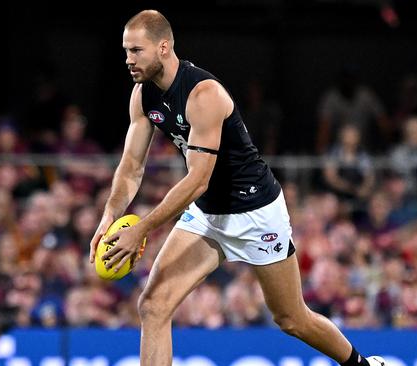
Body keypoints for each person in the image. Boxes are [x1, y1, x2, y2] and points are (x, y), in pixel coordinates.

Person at [88, 10, 385, 366]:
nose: (128, 60)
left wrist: (142, 229)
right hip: (208, 214)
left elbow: (199, 179)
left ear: (163, 47)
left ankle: (363, 365)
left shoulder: (203, 94)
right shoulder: (142, 96)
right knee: (153, 305)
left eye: (136, 50)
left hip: (255, 212)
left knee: (292, 319)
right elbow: (131, 167)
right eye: (125, 51)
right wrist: (110, 215)